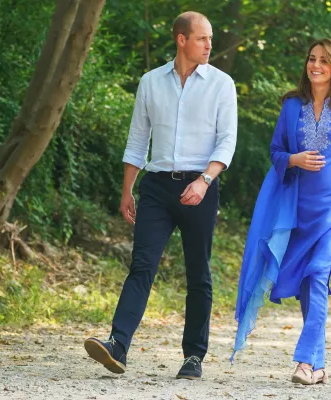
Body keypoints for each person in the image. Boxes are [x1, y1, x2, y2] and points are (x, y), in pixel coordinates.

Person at [83, 11, 237, 379]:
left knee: (198, 273)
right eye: (202, 38)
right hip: (156, 188)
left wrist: (204, 180)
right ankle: (117, 344)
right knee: (141, 265)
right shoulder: (151, 82)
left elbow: (227, 140)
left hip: (200, 187)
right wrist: (127, 190)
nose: (209, 45)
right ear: (182, 40)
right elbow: (138, 138)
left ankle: (193, 356)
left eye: (210, 38)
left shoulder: (221, 84)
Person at [232, 38, 331, 385]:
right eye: (312, 59)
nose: (316, 65)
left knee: (318, 273)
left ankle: (305, 363)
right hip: (297, 211)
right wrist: (294, 159)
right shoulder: (292, 106)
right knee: (309, 283)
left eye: (324, 60)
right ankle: (319, 366)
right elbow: (276, 150)